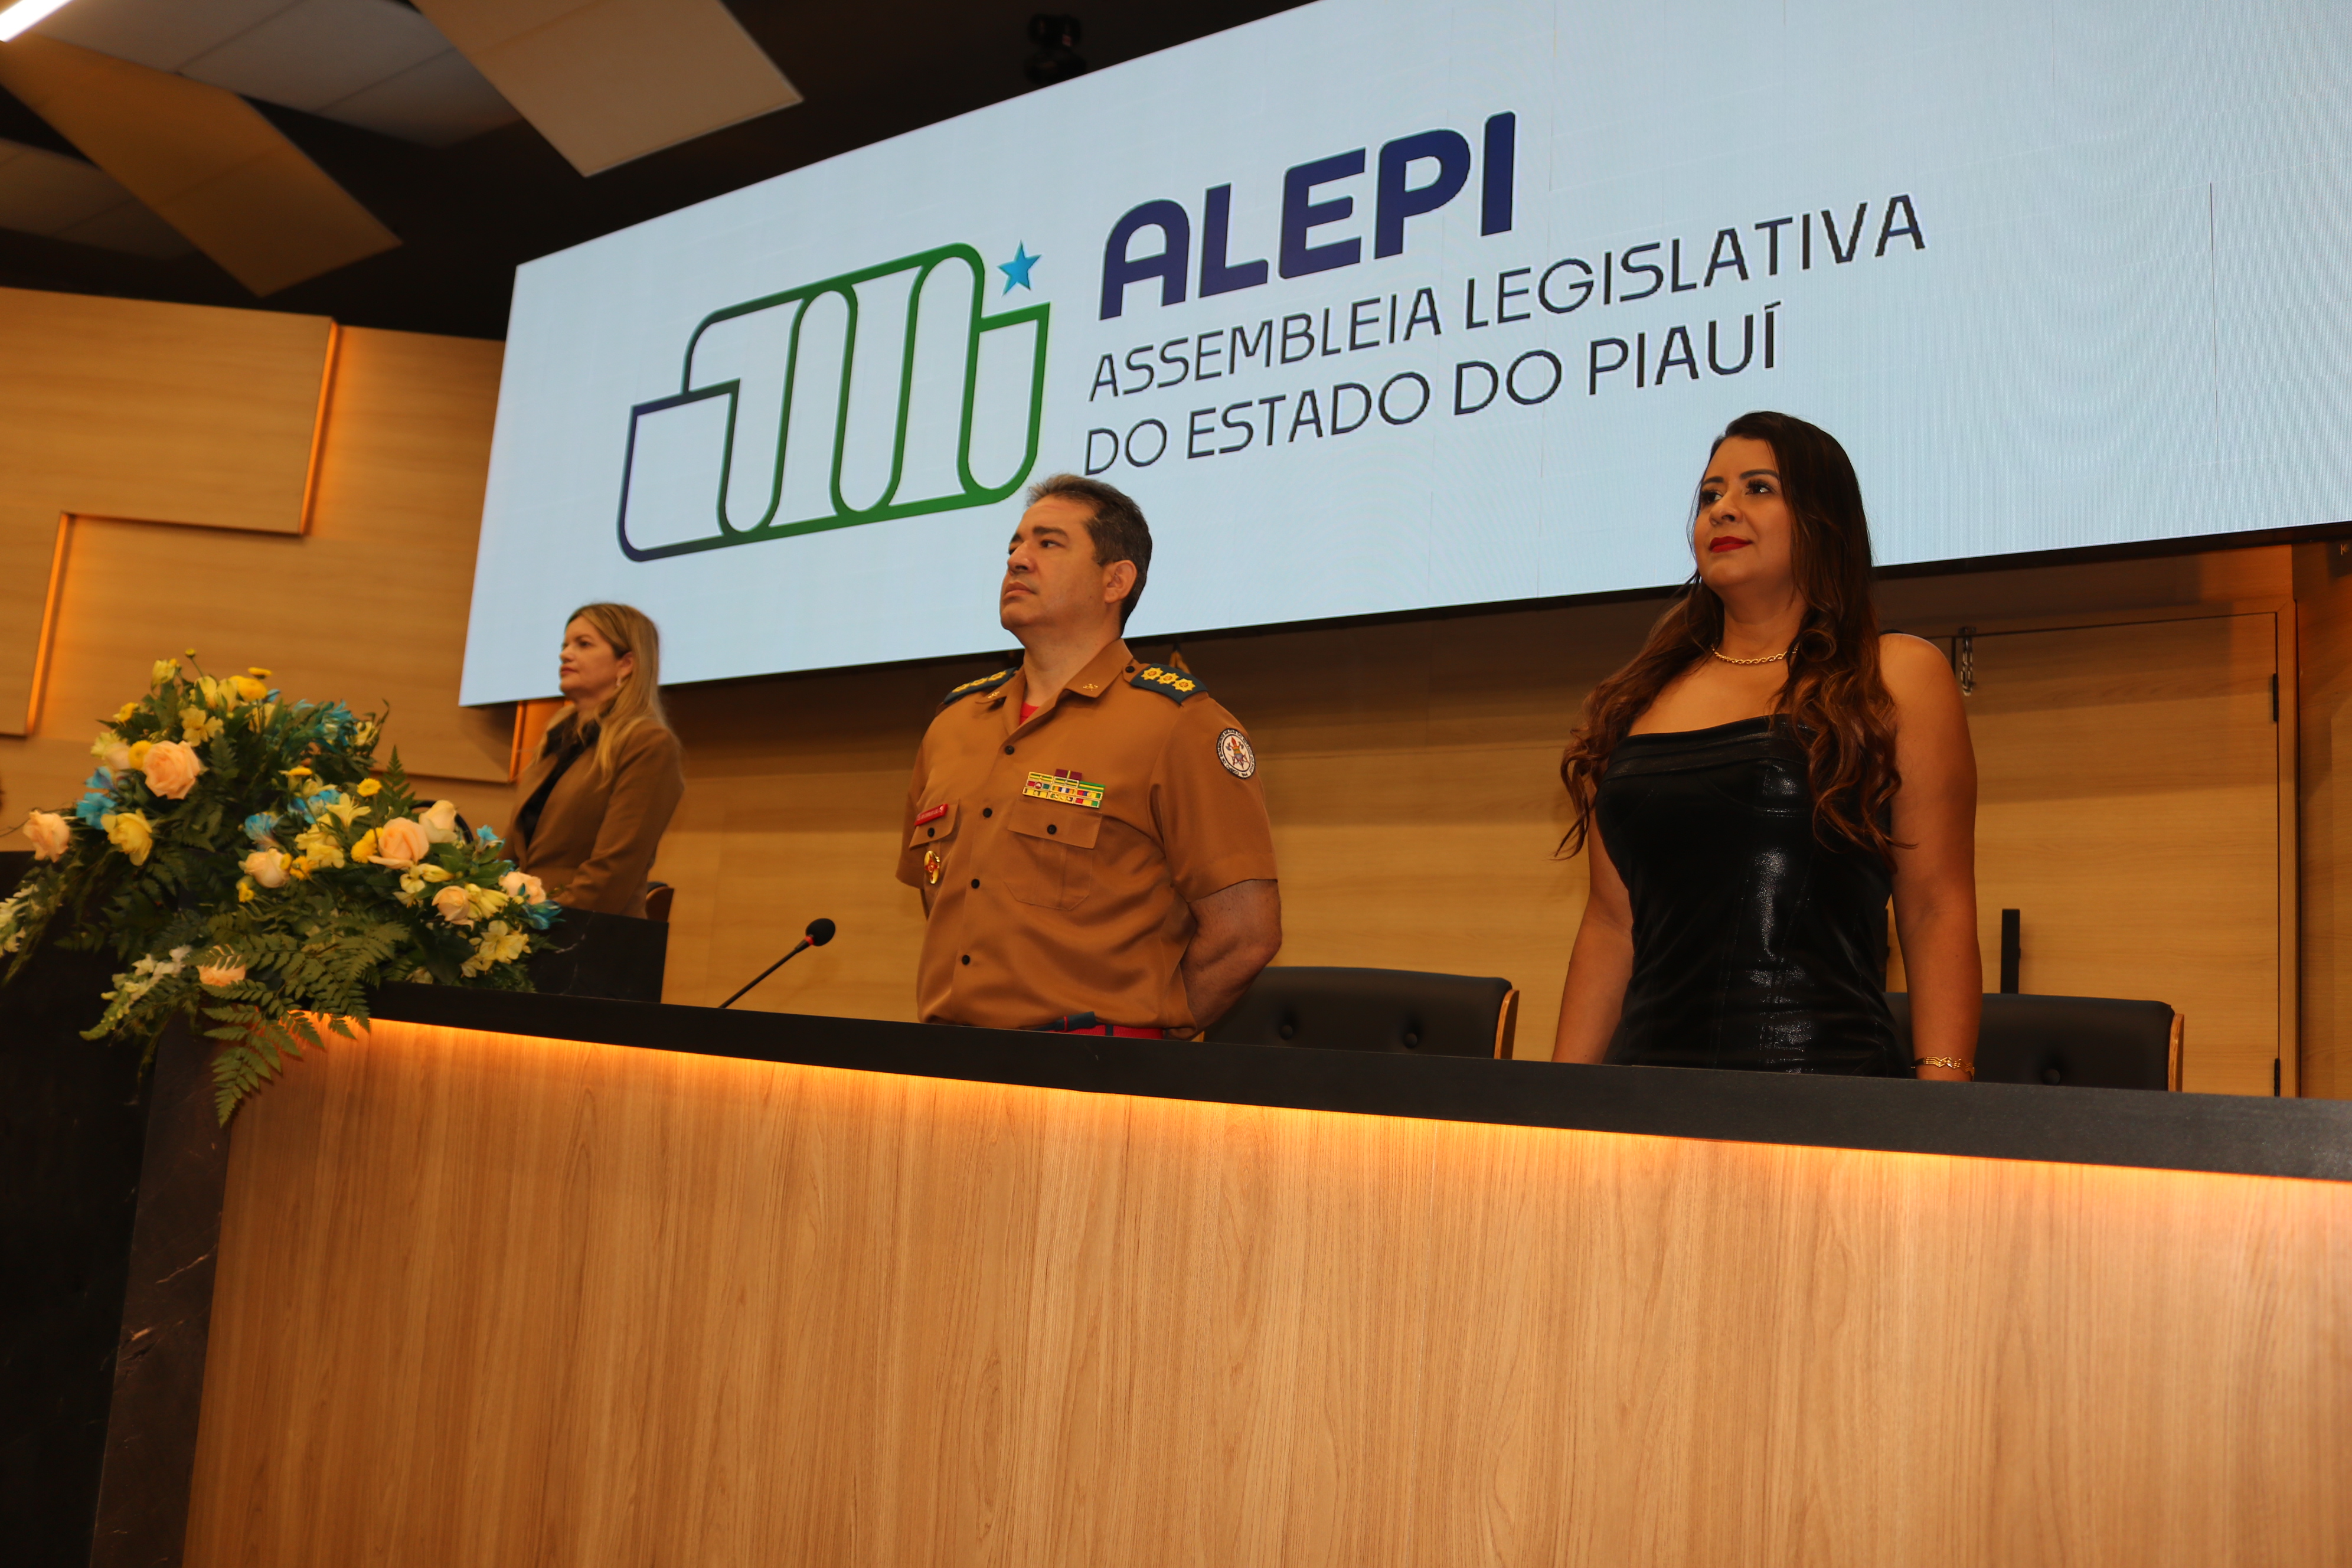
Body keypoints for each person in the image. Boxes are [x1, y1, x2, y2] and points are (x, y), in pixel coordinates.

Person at [1550, 411, 1980, 1079]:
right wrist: (1562, 1103)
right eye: (1710, 495)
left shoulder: (1895, 673)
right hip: (1645, 1098)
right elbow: (1611, 925)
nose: (1723, 509)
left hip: (1825, 1094)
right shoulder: (1638, 696)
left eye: (1758, 488)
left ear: (1821, 519)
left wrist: (1943, 1104)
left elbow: (1935, 908)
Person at [896, 474, 1282, 1035]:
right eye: (1014, 547)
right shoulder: (953, 724)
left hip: (1094, 1068)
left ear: (1115, 581)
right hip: (947, 1063)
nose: (1017, 560)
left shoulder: (1178, 725)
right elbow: (943, 899)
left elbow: (1246, 934)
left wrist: (1147, 1039)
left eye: (1048, 544)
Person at [507, 602, 685, 916]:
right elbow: (515, 852)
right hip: (523, 925)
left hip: (581, 928)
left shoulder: (647, 743)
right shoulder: (555, 739)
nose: (565, 654)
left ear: (626, 664)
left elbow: (615, 868)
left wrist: (541, 920)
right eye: (565, 645)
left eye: (583, 644)